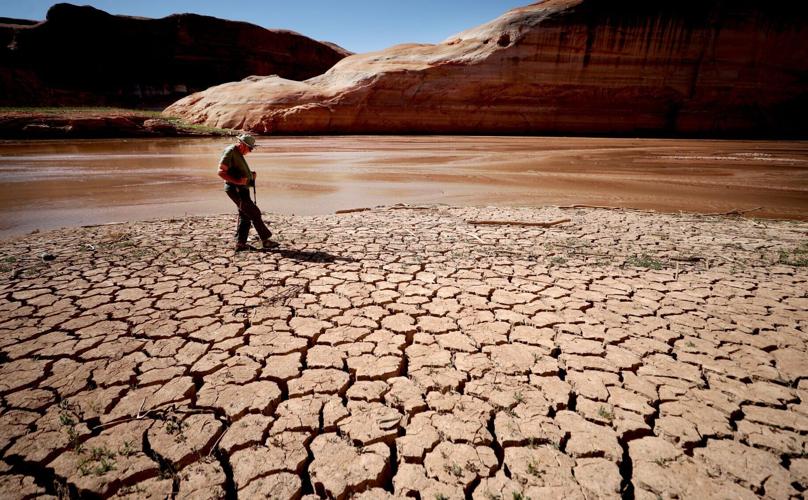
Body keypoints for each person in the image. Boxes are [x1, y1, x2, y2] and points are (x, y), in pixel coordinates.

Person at [218, 133, 278, 251]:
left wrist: (250, 175)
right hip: (236, 189)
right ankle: (265, 240)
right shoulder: (230, 151)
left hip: (242, 189)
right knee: (254, 213)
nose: (250, 151)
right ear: (242, 144)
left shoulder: (238, 152)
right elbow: (221, 172)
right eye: (250, 148)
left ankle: (241, 244)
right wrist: (238, 181)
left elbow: (236, 170)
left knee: (245, 215)